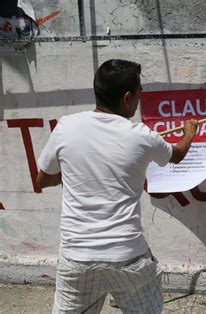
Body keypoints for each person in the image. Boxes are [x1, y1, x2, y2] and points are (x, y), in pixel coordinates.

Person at [36, 59, 197, 313]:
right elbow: (176, 155)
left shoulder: (66, 126)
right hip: (127, 257)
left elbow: (43, 180)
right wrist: (189, 132)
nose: (139, 98)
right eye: (139, 93)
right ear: (127, 98)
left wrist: (75, 172)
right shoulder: (142, 135)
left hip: (77, 257)